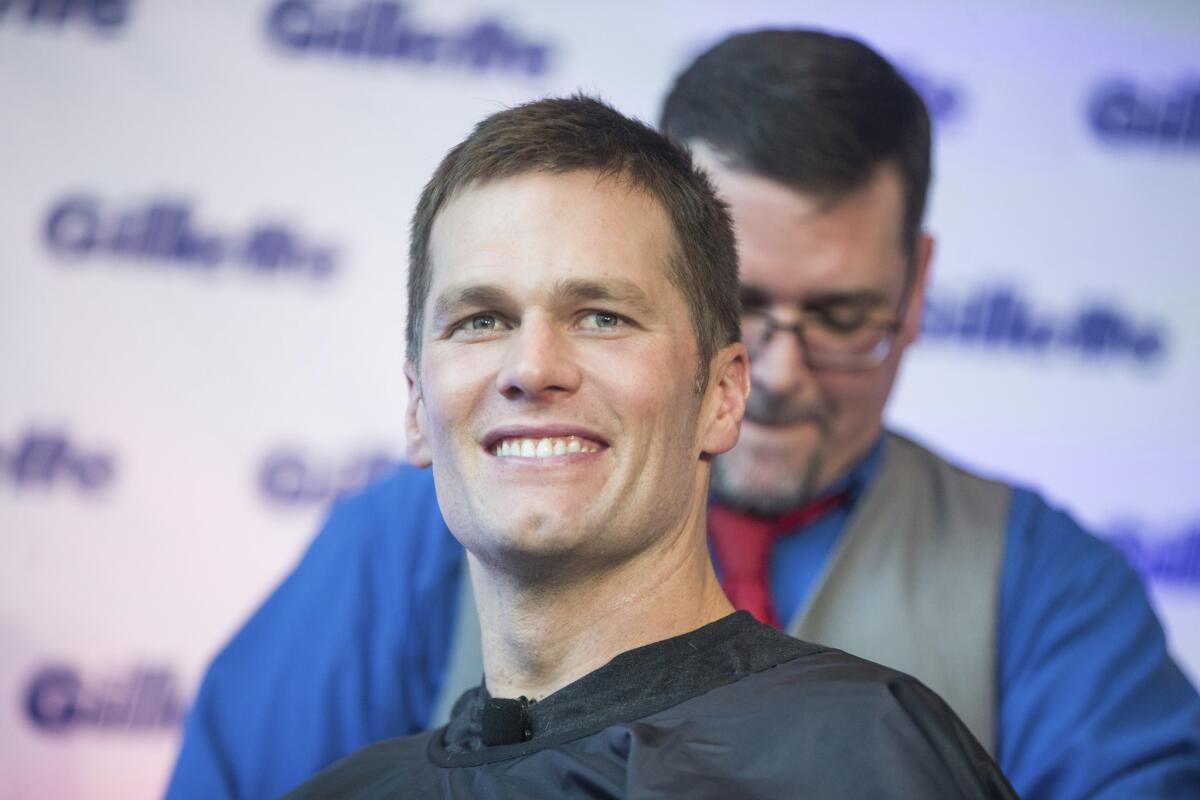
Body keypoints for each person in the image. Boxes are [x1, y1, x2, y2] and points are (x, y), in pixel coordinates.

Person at [166, 29, 1200, 800]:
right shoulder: (399, 544)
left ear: (917, 284)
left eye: (843, 316)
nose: (783, 372)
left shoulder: (1040, 583)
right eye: (742, 300)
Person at [282, 92, 1014, 799]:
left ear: (722, 397)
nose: (532, 368)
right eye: (481, 319)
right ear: (417, 405)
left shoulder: (865, 758)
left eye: (601, 317)